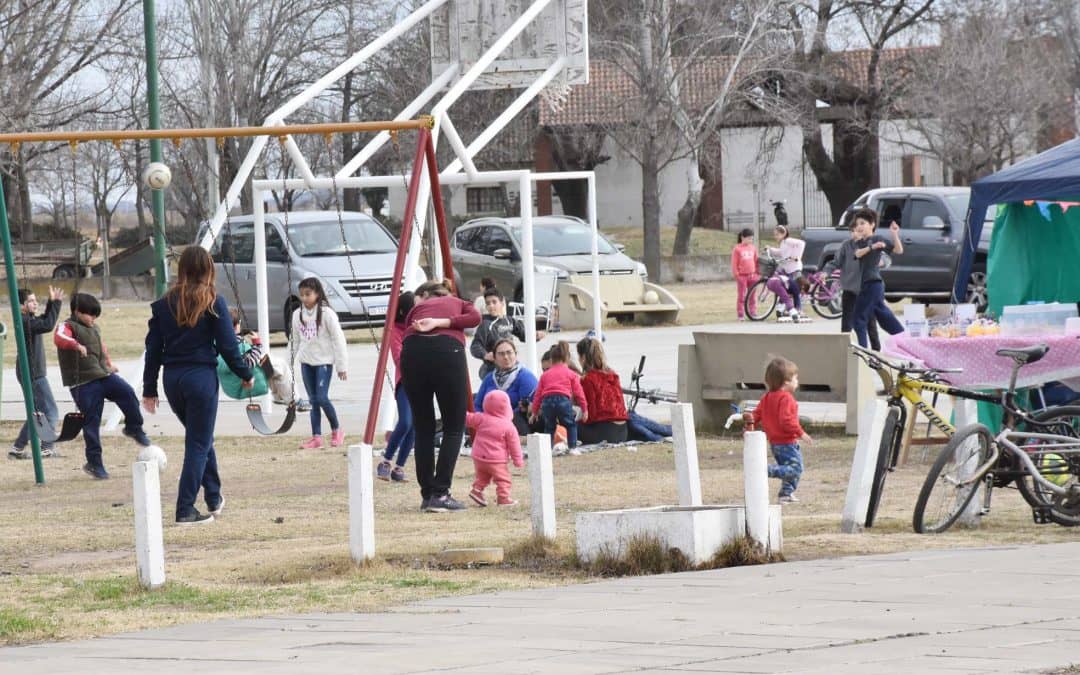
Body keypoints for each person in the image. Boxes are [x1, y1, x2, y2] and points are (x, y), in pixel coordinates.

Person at [143, 247, 253, 524]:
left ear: (182, 269)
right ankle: (185, 509)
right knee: (198, 443)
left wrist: (149, 388)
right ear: (208, 269)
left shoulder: (163, 303)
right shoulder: (213, 302)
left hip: (172, 379)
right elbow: (228, 347)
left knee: (200, 438)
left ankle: (214, 497)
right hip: (200, 378)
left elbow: (153, 348)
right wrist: (245, 372)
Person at [400, 278, 482, 513]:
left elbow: (407, 328)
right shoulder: (459, 302)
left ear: (426, 296)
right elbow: (475, 318)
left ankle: (427, 494)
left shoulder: (416, 309)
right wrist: (444, 322)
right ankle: (441, 493)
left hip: (412, 352)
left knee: (423, 427)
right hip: (447, 351)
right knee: (454, 427)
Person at [55, 292, 152, 481]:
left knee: (127, 393)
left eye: (95, 315)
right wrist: (76, 345)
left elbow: (101, 348)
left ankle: (133, 427)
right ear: (77, 312)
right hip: (82, 383)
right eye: (90, 314)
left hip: (102, 375)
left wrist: (109, 364)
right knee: (91, 423)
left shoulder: (94, 328)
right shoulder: (66, 326)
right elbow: (59, 338)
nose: (93, 318)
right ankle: (94, 463)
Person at [576, 337, 671, 445]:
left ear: (583, 357)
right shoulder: (612, 374)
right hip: (623, 430)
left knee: (572, 426)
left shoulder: (588, 379)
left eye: (579, 356)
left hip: (605, 433)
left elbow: (591, 415)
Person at [290, 277, 349, 449]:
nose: (304, 298)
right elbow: (294, 340)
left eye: (308, 294)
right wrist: (289, 363)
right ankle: (316, 437)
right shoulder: (297, 315)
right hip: (306, 362)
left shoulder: (327, 314)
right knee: (313, 401)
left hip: (323, 362)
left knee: (322, 397)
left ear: (317, 294)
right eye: (301, 295)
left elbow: (339, 340)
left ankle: (337, 430)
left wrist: (341, 366)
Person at [744, 356, 812, 504]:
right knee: (795, 469)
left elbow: (757, 414)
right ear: (786, 381)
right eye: (795, 378)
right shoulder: (786, 398)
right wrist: (801, 432)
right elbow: (787, 420)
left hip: (775, 443)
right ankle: (764, 470)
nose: (797, 382)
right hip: (787, 442)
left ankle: (786, 494)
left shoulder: (767, 397)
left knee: (789, 468)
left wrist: (750, 419)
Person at [9, 286, 63, 460]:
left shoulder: (28, 319)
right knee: (50, 411)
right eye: (31, 301)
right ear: (21, 305)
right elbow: (47, 325)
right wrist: (56, 304)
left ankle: (17, 448)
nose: (35, 304)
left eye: (35, 300)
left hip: (31, 371)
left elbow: (44, 320)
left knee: (36, 412)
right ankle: (47, 447)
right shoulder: (25, 321)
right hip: (33, 373)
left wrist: (51, 302)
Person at [851, 208, 905, 349]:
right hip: (866, 285)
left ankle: (862, 352)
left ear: (872, 225)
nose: (859, 227)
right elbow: (857, 254)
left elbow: (898, 250)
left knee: (858, 319)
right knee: (882, 315)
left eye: (862, 223)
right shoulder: (859, 243)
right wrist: (871, 247)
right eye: (857, 224)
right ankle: (903, 338)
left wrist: (894, 234)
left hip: (872, 284)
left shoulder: (877, 239)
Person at [377, 291, 416, 483]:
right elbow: (399, 358)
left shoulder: (423, 327)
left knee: (415, 427)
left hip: (424, 383)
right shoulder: (396, 330)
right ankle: (385, 461)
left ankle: (399, 467)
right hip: (406, 382)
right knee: (406, 422)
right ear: (403, 311)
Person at [823, 222, 881, 351]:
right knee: (847, 322)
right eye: (854, 231)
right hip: (849, 289)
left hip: (866, 290)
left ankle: (876, 351)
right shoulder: (846, 245)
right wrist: (825, 272)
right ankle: (845, 349)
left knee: (870, 322)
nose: (856, 234)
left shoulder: (871, 244)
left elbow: (885, 258)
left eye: (860, 231)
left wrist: (882, 262)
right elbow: (835, 262)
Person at [466, 390, 525, 507]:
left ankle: (477, 490)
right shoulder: (508, 426)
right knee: (503, 479)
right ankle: (503, 498)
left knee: (483, 476)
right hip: (496, 459)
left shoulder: (481, 418)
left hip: (478, 457)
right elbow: (514, 445)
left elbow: (468, 419)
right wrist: (518, 460)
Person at [470, 286, 544, 379]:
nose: (491, 306)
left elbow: (523, 335)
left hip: (510, 366)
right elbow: (475, 346)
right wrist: (485, 355)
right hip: (493, 369)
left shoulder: (509, 320)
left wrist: (536, 335)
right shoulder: (486, 325)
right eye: (488, 303)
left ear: (502, 303)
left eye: (494, 302)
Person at [473, 337, 539, 436]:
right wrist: (482, 420)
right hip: (488, 423)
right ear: (494, 358)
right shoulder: (489, 378)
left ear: (515, 355)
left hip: (514, 423)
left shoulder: (525, 376)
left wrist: (499, 422)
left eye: (509, 352)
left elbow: (524, 408)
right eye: (501, 354)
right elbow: (478, 404)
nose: (506, 357)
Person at [530, 341, 588, 450]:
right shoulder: (571, 373)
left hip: (547, 402)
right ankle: (572, 448)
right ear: (567, 359)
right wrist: (585, 409)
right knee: (570, 425)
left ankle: (548, 450)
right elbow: (579, 393)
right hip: (563, 400)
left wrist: (534, 412)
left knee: (549, 427)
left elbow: (538, 395)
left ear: (551, 360)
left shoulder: (545, 375)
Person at [766, 224, 807, 322]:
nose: (775, 237)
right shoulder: (783, 243)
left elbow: (802, 243)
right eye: (774, 235)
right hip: (787, 269)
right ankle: (784, 308)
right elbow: (781, 252)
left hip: (795, 268)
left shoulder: (788, 240)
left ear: (783, 234)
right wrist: (770, 249)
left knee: (795, 289)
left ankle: (798, 309)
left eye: (777, 234)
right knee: (786, 288)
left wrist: (797, 257)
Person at [731, 228, 758, 321]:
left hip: (753, 275)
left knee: (753, 296)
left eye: (751, 238)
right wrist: (737, 275)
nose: (750, 240)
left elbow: (755, 261)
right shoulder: (737, 249)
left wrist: (757, 273)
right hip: (742, 276)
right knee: (742, 296)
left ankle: (753, 312)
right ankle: (740, 314)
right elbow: (734, 263)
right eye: (749, 238)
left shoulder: (753, 248)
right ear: (742, 237)